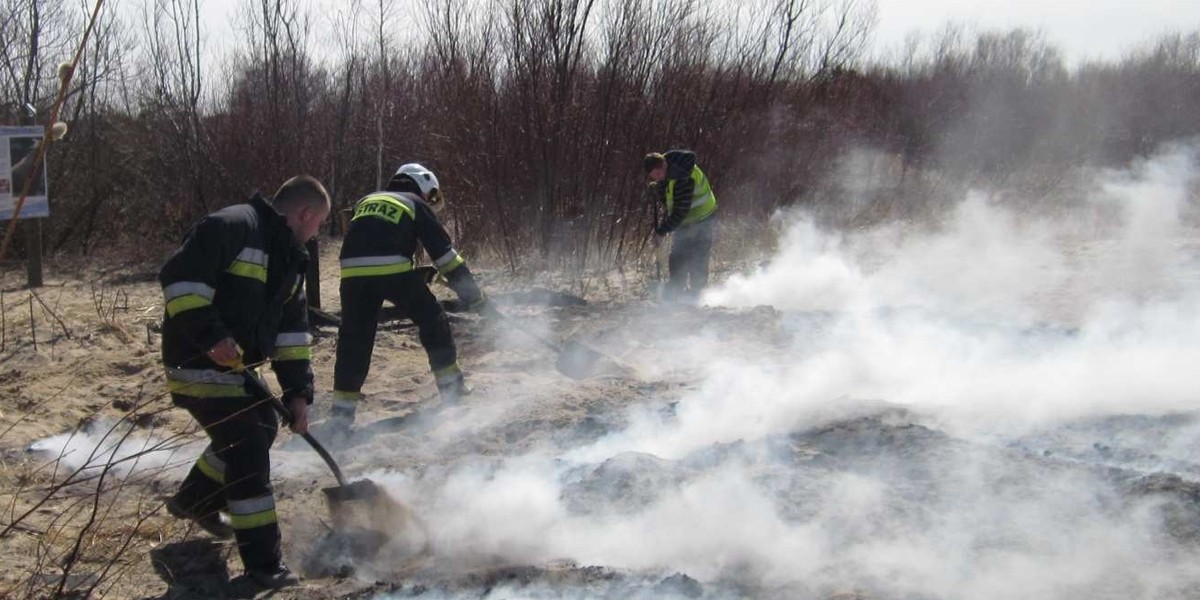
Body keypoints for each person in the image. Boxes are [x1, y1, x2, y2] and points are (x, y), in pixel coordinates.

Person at [159, 175, 330, 589]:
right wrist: (212, 336)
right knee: (248, 444)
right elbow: (179, 281)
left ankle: (194, 499)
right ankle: (264, 566)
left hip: (236, 370)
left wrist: (298, 396)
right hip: (197, 362)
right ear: (305, 214)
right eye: (319, 224)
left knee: (263, 425)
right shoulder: (231, 226)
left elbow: (292, 337)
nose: (317, 233)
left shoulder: (290, 260)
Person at [331, 163, 489, 426]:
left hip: (351, 273)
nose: (431, 201)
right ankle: (452, 389)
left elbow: (373, 241)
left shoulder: (366, 201)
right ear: (424, 185)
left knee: (354, 338)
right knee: (433, 319)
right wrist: (474, 297)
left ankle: (342, 414)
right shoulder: (415, 202)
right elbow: (446, 257)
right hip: (393, 270)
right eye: (432, 196)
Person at [644, 150, 718, 303]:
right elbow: (669, 199)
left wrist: (662, 231)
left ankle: (696, 295)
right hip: (686, 221)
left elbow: (680, 211)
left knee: (698, 256)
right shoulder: (668, 170)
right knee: (678, 255)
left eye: (658, 175)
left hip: (702, 218)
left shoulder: (684, 178)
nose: (657, 178)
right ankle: (676, 290)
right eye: (654, 177)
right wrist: (659, 189)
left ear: (664, 165)